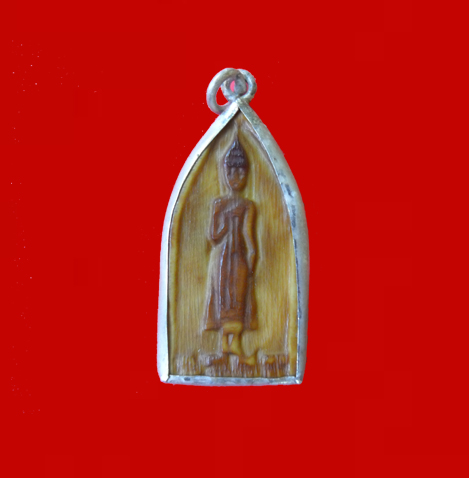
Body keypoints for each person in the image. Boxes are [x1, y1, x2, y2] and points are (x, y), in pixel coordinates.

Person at [204, 137, 257, 365]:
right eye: (232, 173)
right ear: (225, 174)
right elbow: (213, 237)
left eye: (241, 173)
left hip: (239, 258)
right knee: (223, 298)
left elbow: (249, 236)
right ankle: (226, 350)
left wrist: (252, 256)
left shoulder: (248, 205)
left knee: (237, 298)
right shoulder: (219, 204)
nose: (236, 178)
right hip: (221, 259)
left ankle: (235, 347)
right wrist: (225, 221)